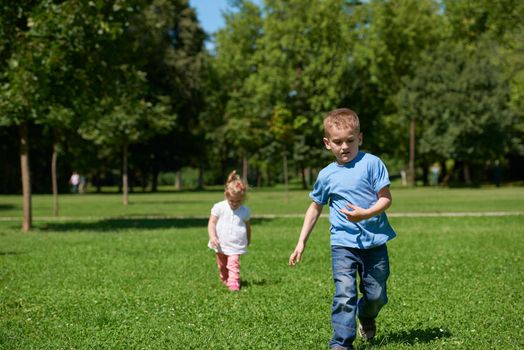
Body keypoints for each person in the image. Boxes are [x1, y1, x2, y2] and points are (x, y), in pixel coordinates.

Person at [289, 108, 396, 350]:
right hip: (343, 244)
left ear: (359, 138)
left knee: (376, 294)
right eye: (337, 142)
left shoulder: (372, 164)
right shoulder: (326, 175)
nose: (344, 147)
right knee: (344, 293)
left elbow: (386, 198)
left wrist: (365, 214)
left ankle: (366, 316)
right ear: (328, 143)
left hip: (375, 243)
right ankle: (340, 343)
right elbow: (315, 207)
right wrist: (301, 241)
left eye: (350, 140)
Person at [208, 170, 251, 292]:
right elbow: (211, 223)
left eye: (238, 201)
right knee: (222, 265)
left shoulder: (245, 211)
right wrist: (212, 237)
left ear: (243, 198)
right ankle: (225, 278)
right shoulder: (219, 207)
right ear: (226, 195)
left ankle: (234, 283)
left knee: (233, 264)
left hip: (236, 244)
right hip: (220, 243)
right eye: (232, 201)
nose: (235, 204)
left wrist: (248, 239)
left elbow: (248, 226)